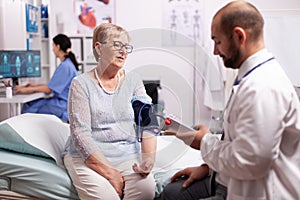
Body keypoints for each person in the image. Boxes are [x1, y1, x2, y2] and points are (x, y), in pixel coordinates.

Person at [162, 1, 300, 199]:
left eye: (217, 41)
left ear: (239, 36)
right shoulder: (251, 79)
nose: (215, 51)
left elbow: (249, 160)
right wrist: (208, 167)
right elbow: (242, 143)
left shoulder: (261, 88)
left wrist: (205, 142)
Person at [63, 23, 157, 200]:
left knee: (146, 190)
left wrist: (148, 160)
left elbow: (148, 120)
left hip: (126, 152)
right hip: (87, 156)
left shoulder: (133, 81)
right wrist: (110, 172)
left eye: (126, 47)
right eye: (117, 45)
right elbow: (81, 134)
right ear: (99, 48)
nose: (123, 51)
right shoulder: (81, 84)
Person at [15, 34, 79, 122]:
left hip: (63, 105)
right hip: (64, 103)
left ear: (58, 46)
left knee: (29, 109)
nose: (52, 49)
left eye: (53, 46)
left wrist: (24, 90)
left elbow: (48, 89)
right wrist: (34, 86)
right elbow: (54, 85)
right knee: (31, 104)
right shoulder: (68, 64)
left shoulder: (65, 67)